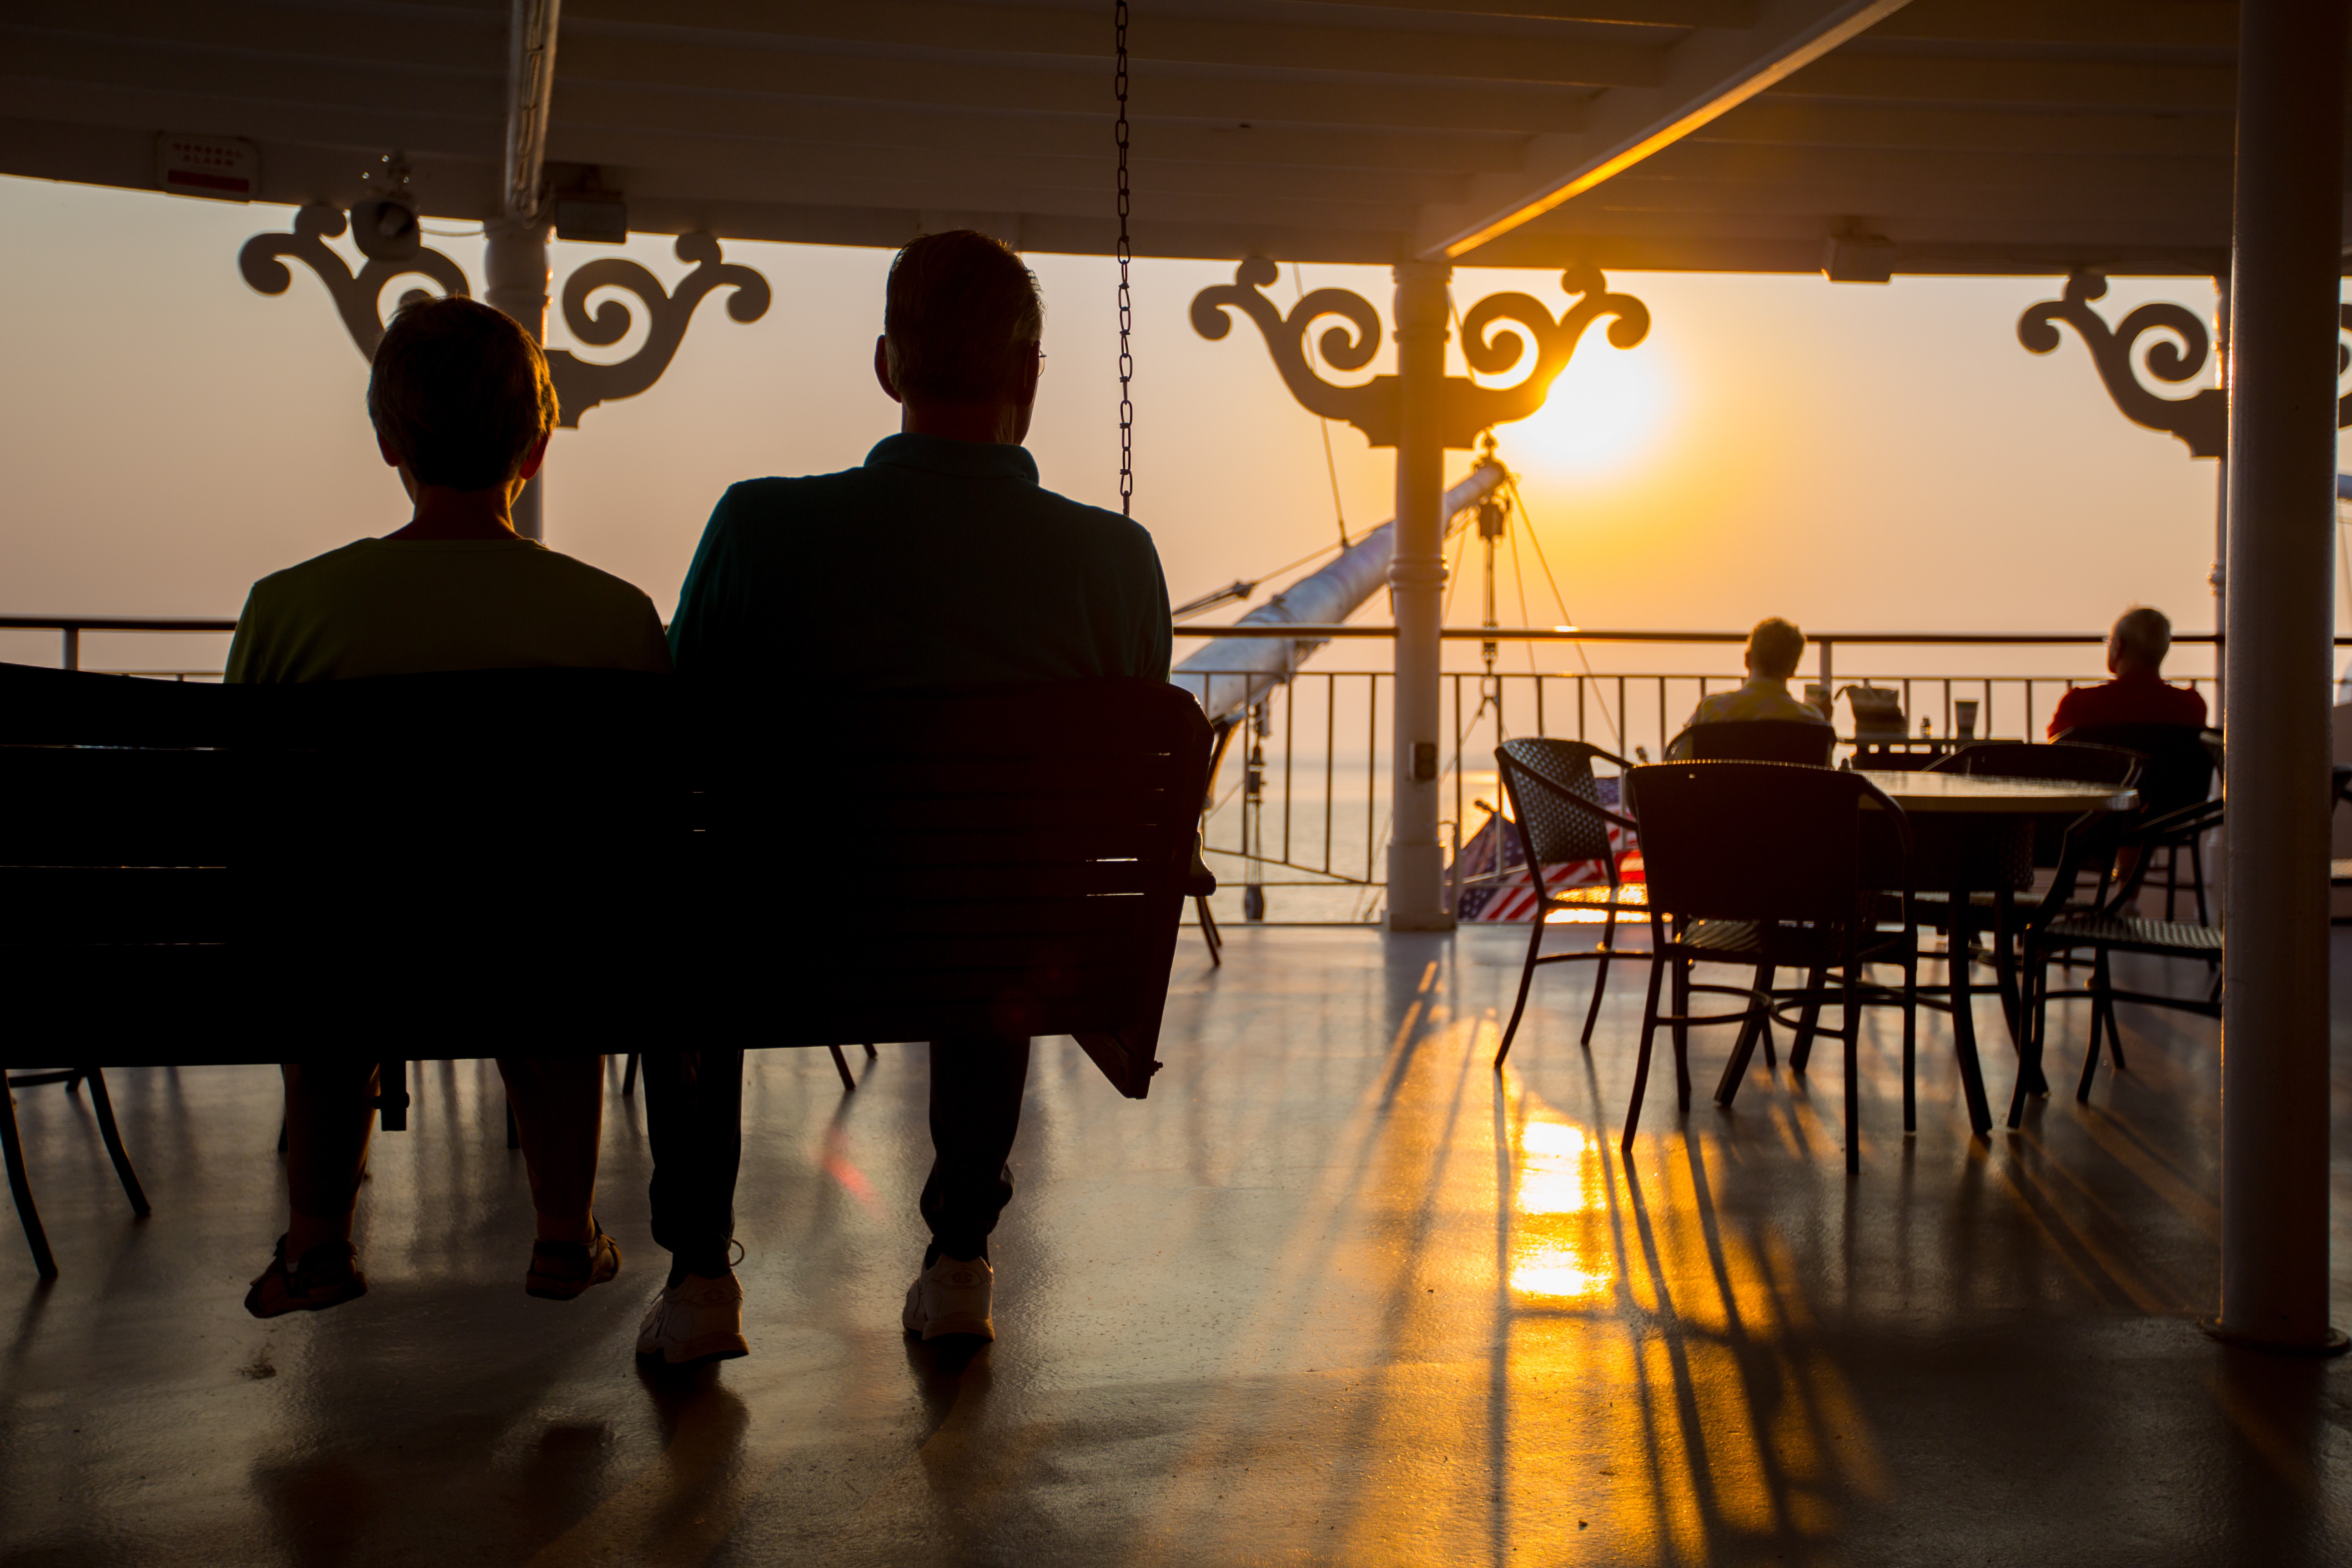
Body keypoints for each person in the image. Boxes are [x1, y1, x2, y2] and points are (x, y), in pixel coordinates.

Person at [643, 229, 1171, 1365]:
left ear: (887, 365)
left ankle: (696, 1279)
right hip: (996, 944)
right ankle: (959, 1260)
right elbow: (1117, 792)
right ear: (1026, 376)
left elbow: (674, 738)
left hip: (776, 942)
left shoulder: (757, 526)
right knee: (1000, 898)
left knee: (693, 925)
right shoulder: (1113, 560)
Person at [228, 295, 671, 1318]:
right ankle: (564, 1231)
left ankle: (316, 1241)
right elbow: (645, 833)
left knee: (333, 930)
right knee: (555, 929)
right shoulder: (613, 616)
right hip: (550, 960)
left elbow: (249, 821)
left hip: (348, 957)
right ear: (538, 442)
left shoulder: (289, 610)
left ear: (389, 442)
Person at [1666, 617, 1829, 756]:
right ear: (1793, 669)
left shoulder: (1712, 710)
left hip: (1721, 793)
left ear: (1747, 660)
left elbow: (1677, 763)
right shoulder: (1812, 720)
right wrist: (1826, 721)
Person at [2046, 605, 2207, 737]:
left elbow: (2056, 750)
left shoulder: (2078, 705)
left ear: (2118, 646)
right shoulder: (2191, 706)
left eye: (2110, 641)